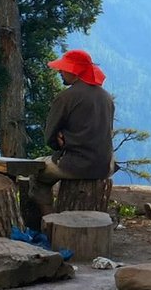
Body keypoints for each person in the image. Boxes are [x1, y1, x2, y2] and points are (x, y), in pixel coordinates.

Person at [29, 48, 115, 215]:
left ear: (75, 71)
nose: (60, 71)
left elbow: (50, 137)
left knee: (37, 171)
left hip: (76, 165)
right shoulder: (106, 97)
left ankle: (49, 220)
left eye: (64, 68)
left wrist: (60, 141)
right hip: (105, 165)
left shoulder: (66, 97)